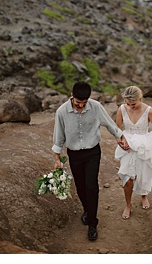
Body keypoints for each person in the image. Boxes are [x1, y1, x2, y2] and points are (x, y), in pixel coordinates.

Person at [49, 82, 129, 240]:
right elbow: (58, 136)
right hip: (74, 154)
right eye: (78, 102)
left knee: (91, 186)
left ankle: (93, 223)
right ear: (72, 96)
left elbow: (109, 123)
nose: (80, 106)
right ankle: (87, 210)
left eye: (84, 103)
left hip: (93, 152)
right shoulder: (61, 112)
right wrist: (57, 158)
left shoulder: (96, 107)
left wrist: (119, 136)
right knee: (80, 187)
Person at [113, 85, 152, 219]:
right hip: (128, 145)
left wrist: (151, 142)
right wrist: (119, 140)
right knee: (127, 178)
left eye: (133, 103)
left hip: (143, 145)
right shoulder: (122, 109)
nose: (130, 106)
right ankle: (128, 204)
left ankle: (144, 195)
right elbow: (117, 128)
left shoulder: (148, 111)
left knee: (143, 174)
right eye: (127, 103)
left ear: (140, 98)